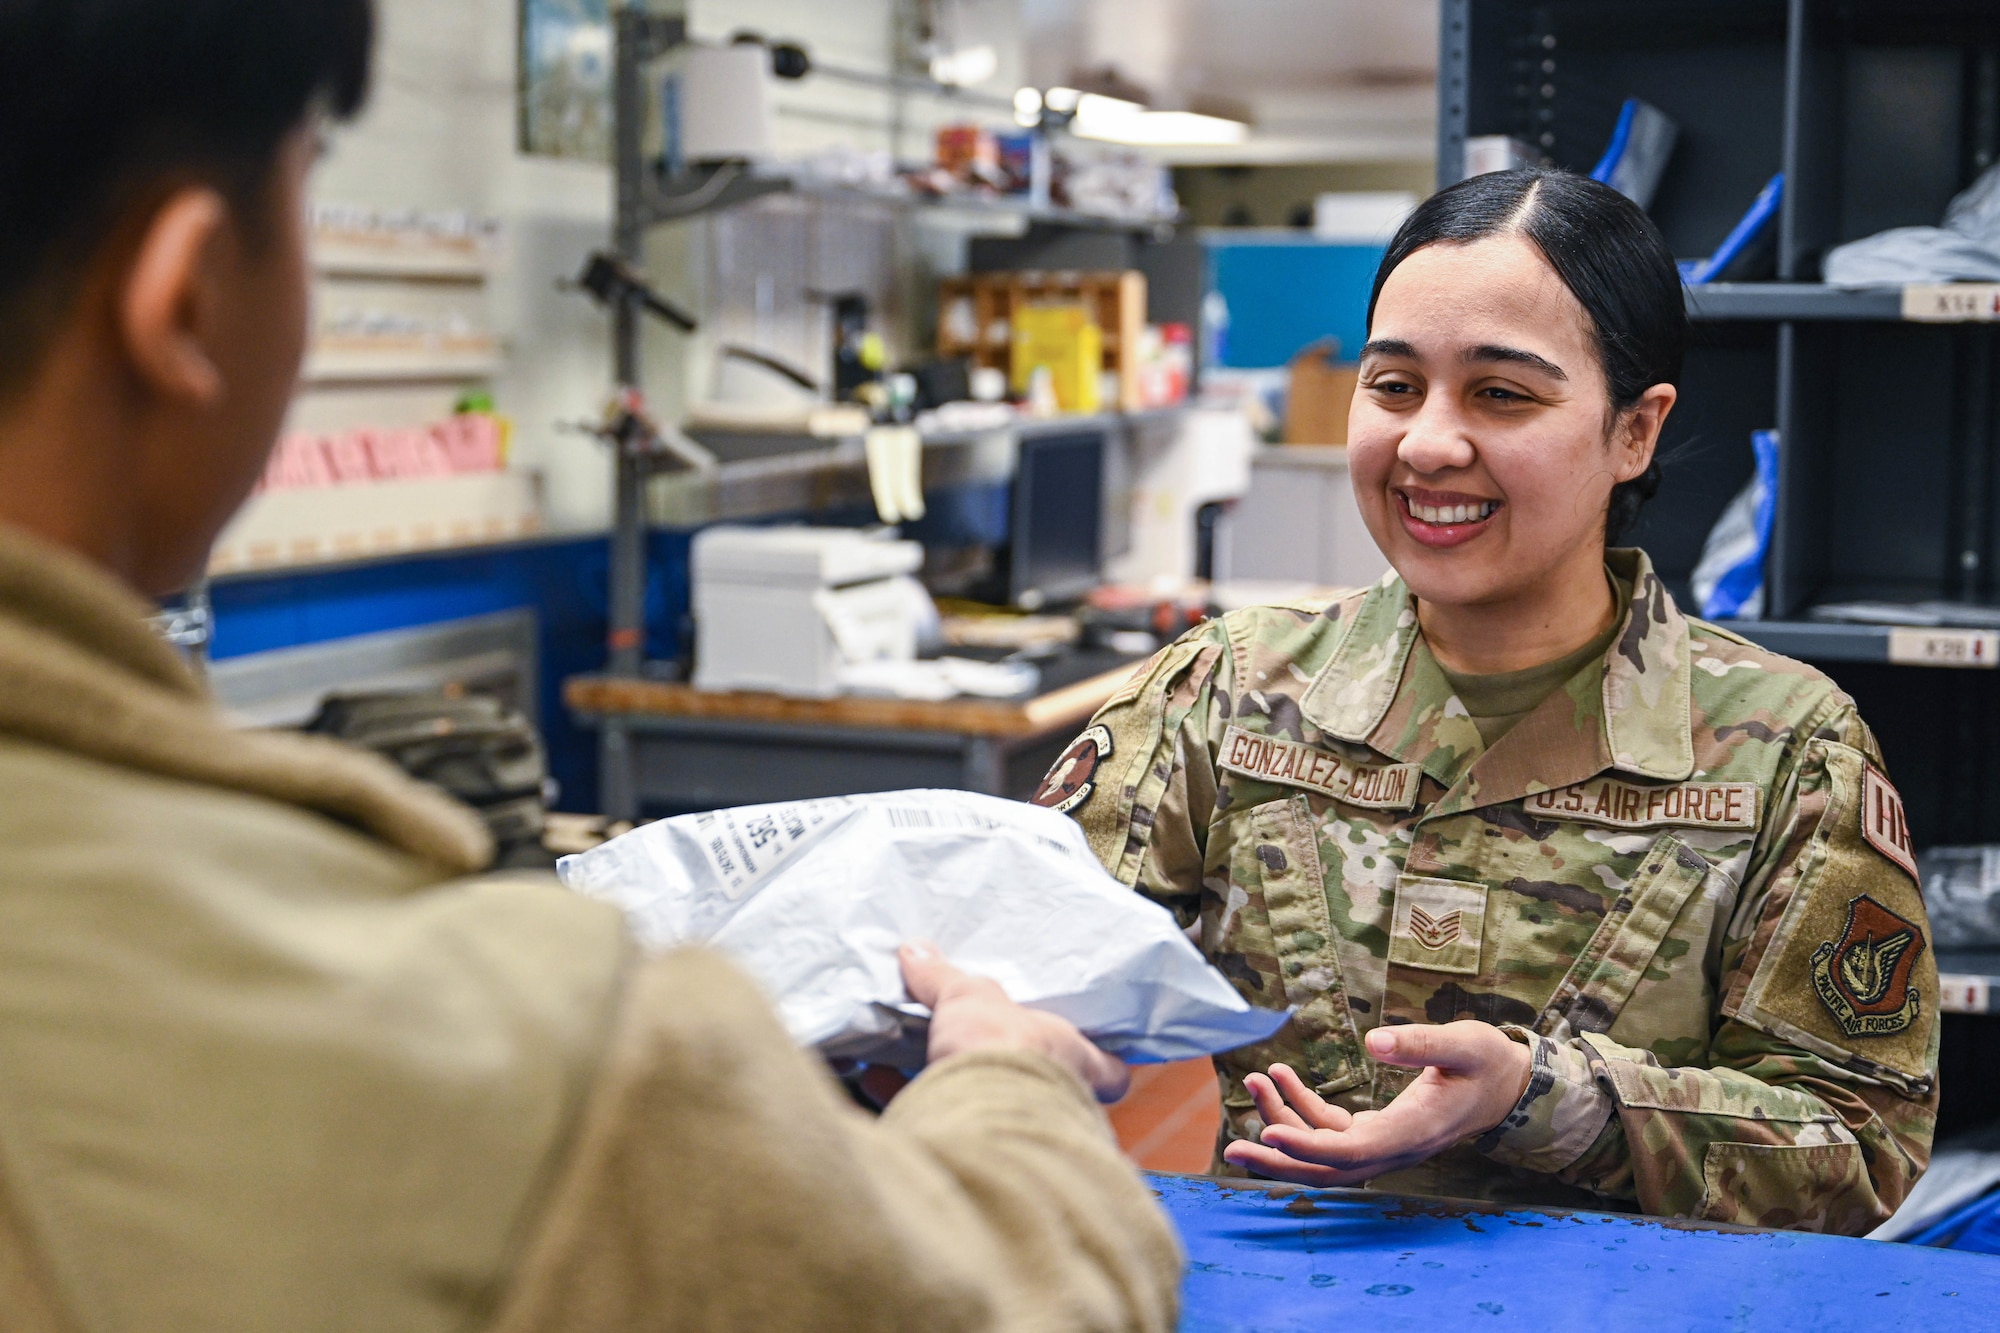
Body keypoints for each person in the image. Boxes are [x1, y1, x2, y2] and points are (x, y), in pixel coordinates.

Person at [0, 3, 1180, 1329]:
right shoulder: (505, 1048)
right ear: (191, 295)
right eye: (308, 192)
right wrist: (1007, 1082)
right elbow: (1007, 1303)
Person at [1042, 168, 1937, 1235]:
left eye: (1500, 393)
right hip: (1292, 1298)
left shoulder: (1784, 746)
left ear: (1633, 432)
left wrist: (1542, 1100)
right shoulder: (1222, 692)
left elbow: (1855, 1142)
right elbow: (1031, 966)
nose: (1426, 443)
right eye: (1392, 385)